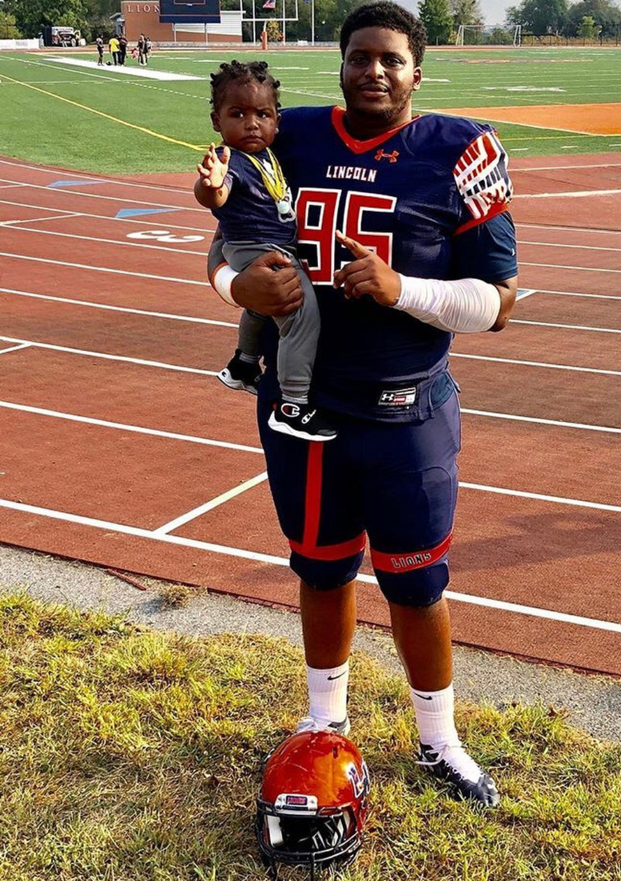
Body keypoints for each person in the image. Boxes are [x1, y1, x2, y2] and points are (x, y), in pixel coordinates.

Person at [208, 1, 517, 808]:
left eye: (390, 58)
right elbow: (228, 240)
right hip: (300, 407)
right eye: (358, 57)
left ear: (418, 69)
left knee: (416, 583)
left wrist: (399, 288)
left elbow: (497, 302)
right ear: (340, 64)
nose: (372, 70)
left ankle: (438, 738)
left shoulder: (461, 150)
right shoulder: (291, 134)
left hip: (406, 410)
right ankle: (324, 722)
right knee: (319, 566)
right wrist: (234, 285)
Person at [195, 61, 336, 441]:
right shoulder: (231, 159)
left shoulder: (267, 154)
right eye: (237, 114)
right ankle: (293, 405)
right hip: (252, 245)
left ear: (278, 120)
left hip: (271, 242)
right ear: (216, 120)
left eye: (263, 114)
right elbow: (215, 194)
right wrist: (211, 186)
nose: (252, 123)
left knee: (260, 306)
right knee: (300, 313)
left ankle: (242, 364)